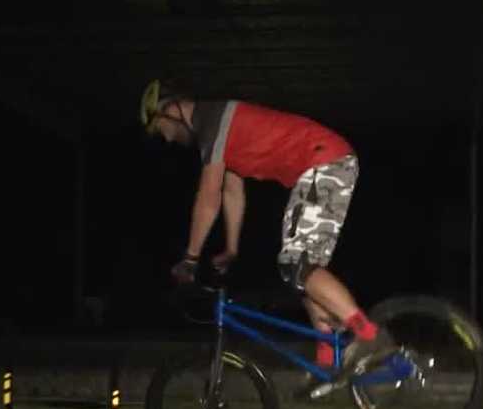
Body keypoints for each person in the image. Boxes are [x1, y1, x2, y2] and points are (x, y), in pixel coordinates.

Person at [140, 80, 388, 391]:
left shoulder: (212, 119)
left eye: (159, 128)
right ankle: (328, 363)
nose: (165, 138)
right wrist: (231, 248)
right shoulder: (215, 134)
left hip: (324, 161)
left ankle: (369, 335)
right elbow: (231, 192)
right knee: (300, 271)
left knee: (297, 264)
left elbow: (208, 196)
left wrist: (190, 257)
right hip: (320, 166)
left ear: (171, 110)